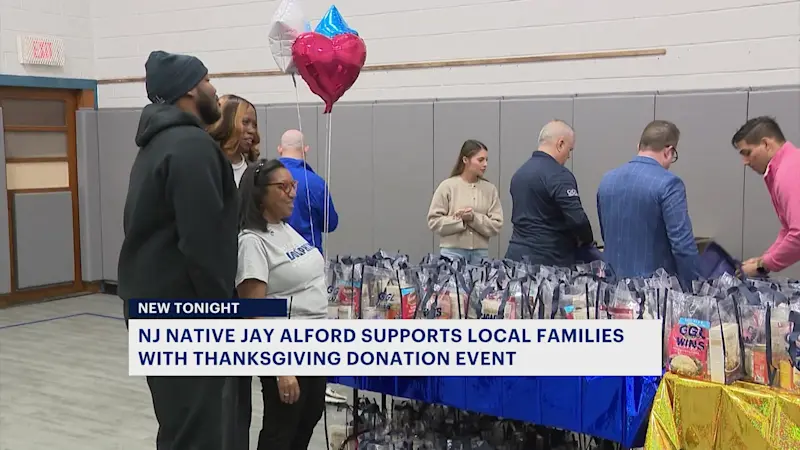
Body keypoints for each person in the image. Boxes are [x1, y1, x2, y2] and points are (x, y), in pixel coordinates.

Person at [117, 51, 240, 450]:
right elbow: (202, 244)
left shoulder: (155, 146)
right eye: (208, 80)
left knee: (179, 425)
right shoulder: (191, 147)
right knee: (197, 433)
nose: (215, 89)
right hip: (183, 309)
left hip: (151, 304)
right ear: (190, 89)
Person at [235, 159, 328, 450]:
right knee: (281, 430)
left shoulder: (285, 229)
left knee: (308, 417)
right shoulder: (252, 242)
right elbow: (252, 313)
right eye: (283, 186)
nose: (291, 193)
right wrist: (281, 368)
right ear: (260, 193)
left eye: (293, 186)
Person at [276, 129, 344, 404]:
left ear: (280, 150)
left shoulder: (262, 180)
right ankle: (311, 383)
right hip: (307, 269)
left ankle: (280, 377)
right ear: (306, 150)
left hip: (272, 270)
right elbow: (331, 223)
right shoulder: (314, 182)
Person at [597, 120, 700, 288]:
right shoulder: (669, 184)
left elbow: (606, 234)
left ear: (639, 146)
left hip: (612, 289)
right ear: (669, 151)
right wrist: (696, 287)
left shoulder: (607, 180)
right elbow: (682, 246)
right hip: (654, 294)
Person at [505, 120, 593, 266]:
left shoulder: (519, 174)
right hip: (549, 263)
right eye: (569, 150)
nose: (568, 156)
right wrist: (588, 244)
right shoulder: (559, 175)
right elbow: (578, 220)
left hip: (515, 259)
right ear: (560, 144)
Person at [732, 116, 800, 277]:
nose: (745, 162)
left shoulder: (788, 172)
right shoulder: (790, 164)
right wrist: (763, 260)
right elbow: (788, 229)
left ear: (766, 144)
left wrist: (762, 265)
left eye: (747, 153)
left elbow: (798, 233)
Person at [427, 139, 504, 264]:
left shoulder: (490, 189)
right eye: (480, 160)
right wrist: (460, 220)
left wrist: (474, 218)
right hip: (451, 253)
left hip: (480, 255)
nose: (485, 164)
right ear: (465, 160)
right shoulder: (448, 186)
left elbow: (496, 225)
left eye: (486, 160)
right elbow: (433, 221)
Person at [208, 94, 261, 187]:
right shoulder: (206, 166)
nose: (252, 130)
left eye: (254, 125)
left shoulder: (256, 172)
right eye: (245, 122)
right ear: (227, 123)